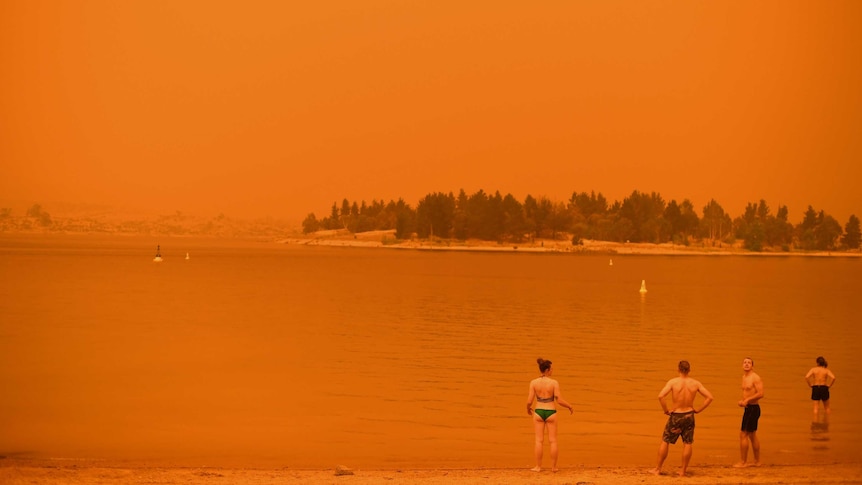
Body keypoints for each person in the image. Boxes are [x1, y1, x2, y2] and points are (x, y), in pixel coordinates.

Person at [649, 360, 714, 477]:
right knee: (687, 443)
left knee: (665, 440)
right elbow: (709, 397)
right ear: (689, 370)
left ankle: (658, 469)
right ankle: (683, 471)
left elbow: (661, 396)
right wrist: (699, 409)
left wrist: (666, 410)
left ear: (678, 369)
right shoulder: (695, 383)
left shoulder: (673, 382)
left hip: (676, 415)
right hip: (689, 415)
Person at [526, 358, 574, 472]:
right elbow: (559, 400)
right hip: (551, 412)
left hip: (538, 412)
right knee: (553, 441)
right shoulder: (554, 383)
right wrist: (569, 406)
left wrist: (527, 409)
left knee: (539, 440)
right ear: (547, 370)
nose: (552, 371)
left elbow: (529, 401)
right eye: (551, 369)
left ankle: (538, 467)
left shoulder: (533, 382)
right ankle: (553, 467)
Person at [734, 357, 764, 468]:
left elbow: (761, 393)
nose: (746, 364)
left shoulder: (755, 377)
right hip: (748, 408)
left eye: (749, 363)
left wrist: (747, 400)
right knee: (752, 435)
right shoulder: (744, 377)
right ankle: (757, 462)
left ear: (752, 366)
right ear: (742, 365)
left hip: (753, 409)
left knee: (743, 434)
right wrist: (743, 401)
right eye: (745, 362)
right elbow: (747, 392)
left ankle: (743, 462)